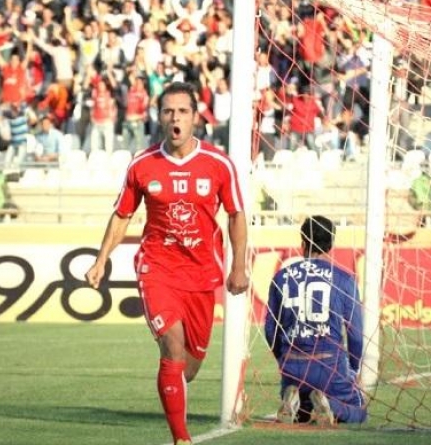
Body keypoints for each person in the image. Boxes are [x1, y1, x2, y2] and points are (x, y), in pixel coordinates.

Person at [85, 82, 249, 445]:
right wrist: (101, 260)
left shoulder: (218, 164)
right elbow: (122, 215)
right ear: (159, 117)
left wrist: (239, 266)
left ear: (195, 117)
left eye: (183, 111)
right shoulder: (142, 165)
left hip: (202, 274)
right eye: (168, 111)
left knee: (188, 368)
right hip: (157, 269)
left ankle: (175, 387)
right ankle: (181, 438)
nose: (175, 118)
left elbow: (236, 214)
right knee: (173, 347)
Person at [265, 215, 367, 425]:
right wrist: (354, 369)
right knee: (359, 409)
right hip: (329, 364)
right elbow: (355, 334)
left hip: (292, 365)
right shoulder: (344, 279)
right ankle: (329, 404)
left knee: (302, 412)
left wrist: (282, 359)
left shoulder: (281, 277)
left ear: (303, 242)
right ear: (331, 244)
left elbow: (270, 330)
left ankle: (296, 401)